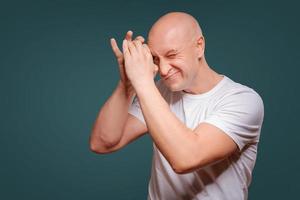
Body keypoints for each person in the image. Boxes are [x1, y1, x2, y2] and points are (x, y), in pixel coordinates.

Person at [89, 11, 264, 200]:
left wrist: (142, 81)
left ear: (199, 46)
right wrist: (128, 85)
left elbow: (186, 158)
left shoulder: (243, 100)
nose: (163, 70)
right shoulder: (158, 91)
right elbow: (103, 142)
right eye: (155, 59)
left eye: (171, 55)